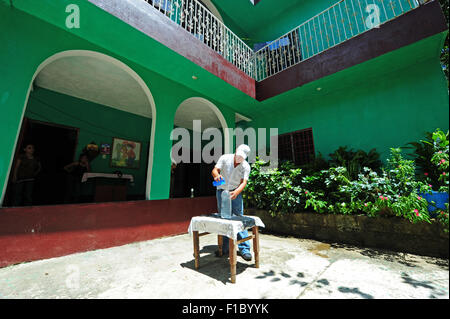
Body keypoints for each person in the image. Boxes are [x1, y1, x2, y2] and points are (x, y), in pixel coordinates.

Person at [211, 144, 252, 261]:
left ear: (245, 157)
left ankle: (244, 249)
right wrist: (216, 176)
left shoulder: (246, 166)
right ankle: (224, 248)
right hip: (221, 191)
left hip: (235, 192)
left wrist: (237, 192)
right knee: (224, 218)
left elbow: (244, 182)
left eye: (242, 157)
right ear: (235, 151)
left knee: (239, 218)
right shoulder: (224, 158)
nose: (239, 159)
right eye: (238, 156)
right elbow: (215, 170)